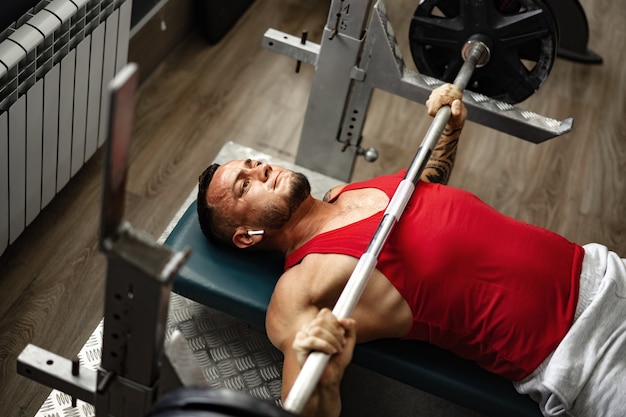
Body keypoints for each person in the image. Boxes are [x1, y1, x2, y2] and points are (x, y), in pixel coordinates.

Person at [196, 84, 626, 417]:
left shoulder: (347, 192)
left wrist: (450, 130)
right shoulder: (299, 286)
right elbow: (304, 402)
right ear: (247, 235)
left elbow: (427, 185)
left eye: (253, 163)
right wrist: (321, 376)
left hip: (602, 269)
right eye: (244, 184)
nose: (261, 168)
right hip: (581, 356)